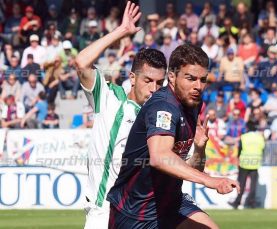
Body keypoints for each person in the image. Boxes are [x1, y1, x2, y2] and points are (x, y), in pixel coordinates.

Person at [107, 44, 240, 228]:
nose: (198, 86)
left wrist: (200, 149)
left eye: (203, 80)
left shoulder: (193, 104)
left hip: (171, 203)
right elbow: (160, 157)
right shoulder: (163, 106)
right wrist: (212, 181)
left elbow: (187, 168)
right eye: (190, 78)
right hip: (135, 213)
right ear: (171, 77)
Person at [75, 2, 167, 228]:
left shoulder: (161, 117)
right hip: (102, 213)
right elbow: (81, 62)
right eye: (148, 81)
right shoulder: (109, 98)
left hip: (137, 215)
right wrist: (121, 32)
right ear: (133, 78)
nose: (154, 89)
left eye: (159, 83)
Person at [228, 121, 265, 209]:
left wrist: (238, 159)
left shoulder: (244, 137)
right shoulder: (260, 137)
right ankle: (251, 202)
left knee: (241, 184)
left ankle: (237, 202)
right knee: (253, 184)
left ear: (247, 128)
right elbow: (263, 149)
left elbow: (240, 149)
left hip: (244, 163)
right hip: (255, 163)